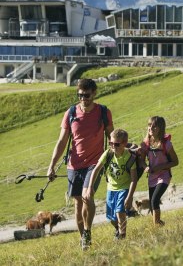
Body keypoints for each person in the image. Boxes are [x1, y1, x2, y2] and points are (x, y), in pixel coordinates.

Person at [47, 78, 114, 250]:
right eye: (80, 95)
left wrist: (121, 153)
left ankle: (88, 231)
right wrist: (51, 165)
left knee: (87, 195)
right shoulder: (71, 113)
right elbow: (62, 141)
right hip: (74, 165)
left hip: (95, 163)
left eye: (86, 95)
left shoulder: (103, 112)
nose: (83, 98)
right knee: (77, 203)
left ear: (94, 93)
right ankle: (83, 237)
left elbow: (111, 137)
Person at [86, 128, 137, 240]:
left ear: (124, 143)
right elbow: (96, 170)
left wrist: (129, 197)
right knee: (111, 219)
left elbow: (134, 179)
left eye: (116, 144)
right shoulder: (108, 154)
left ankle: (122, 236)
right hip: (111, 189)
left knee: (119, 211)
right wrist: (90, 187)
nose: (113, 146)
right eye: (111, 143)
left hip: (124, 187)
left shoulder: (129, 157)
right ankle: (118, 230)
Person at [140, 116, 179, 226]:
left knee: (154, 200)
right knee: (153, 207)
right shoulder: (145, 144)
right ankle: (160, 225)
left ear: (160, 128)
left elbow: (175, 162)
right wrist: (145, 167)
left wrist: (159, 167)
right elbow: (141, 161)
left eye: (154, 126)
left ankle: (156, 226)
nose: (151, 128)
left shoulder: (167, 144)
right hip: (152, 178)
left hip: (164, 176)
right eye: (149, 125)